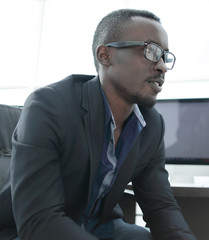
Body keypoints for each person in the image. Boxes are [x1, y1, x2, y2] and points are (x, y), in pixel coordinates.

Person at [0, 9, 197, 240]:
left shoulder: (152, 124)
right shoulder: (49, 106)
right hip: (30, 229)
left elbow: (161, 208)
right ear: (105, 55)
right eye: (151, 50)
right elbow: (40, 221)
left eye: (165, 56)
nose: (162, 66)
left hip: (101, 225)